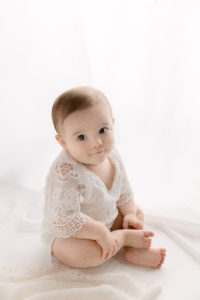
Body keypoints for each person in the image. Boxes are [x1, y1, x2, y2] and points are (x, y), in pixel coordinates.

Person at [41, 86, 166, 269]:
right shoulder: (66, 172)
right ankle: (123, 239)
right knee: (84, 254)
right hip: (75, 232)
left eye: (102, 130)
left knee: (137, 212)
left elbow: (123, 189)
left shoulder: (112, 156)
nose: (96, 143)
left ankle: (133, 251)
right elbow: (65, 217)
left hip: (107, 217)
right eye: (82, 137)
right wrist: (99, 233)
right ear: (63, 142)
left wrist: (129, 213)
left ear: (112, 124)